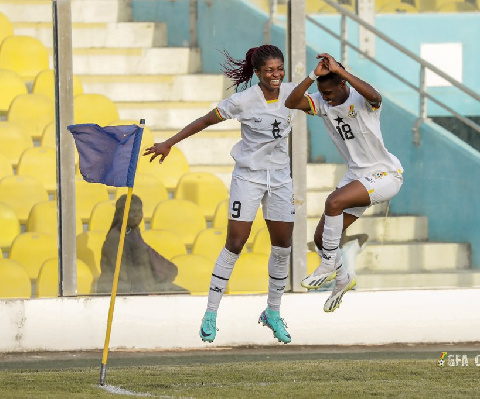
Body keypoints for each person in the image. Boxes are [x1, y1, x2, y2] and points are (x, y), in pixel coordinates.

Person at [144, 44, 297, 344]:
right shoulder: (243, 101)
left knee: (283, 246)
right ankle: (211, 313)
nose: (276, 74)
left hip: (280, 179)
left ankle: (273, 312)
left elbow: (321, 101)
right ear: (257, 73)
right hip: (248, 178)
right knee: (235, 242)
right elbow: (205, 120)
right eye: (270, 70)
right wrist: (170, 143)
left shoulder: (292, 95)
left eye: (280, 68)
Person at [285, 53, 404, 312]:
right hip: (357, 176)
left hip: (385, 174)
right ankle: (342, 278)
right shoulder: (323, 101)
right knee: (320, 238)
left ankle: (328, 266)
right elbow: (291, 101)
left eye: (329, 92)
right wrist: (312, 76)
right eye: (321, 92)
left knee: (334, 202)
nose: (325, 97)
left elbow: (376, 96)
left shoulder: (362, 100)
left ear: (343, 85)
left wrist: (342, 71)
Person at [97, 194, 186, 294]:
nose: (137, 215)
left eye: (139, 211)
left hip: (145, 286)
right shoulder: (115, 238)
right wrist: (150, 290)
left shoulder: (133, 232)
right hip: (125, 290)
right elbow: (122, 275)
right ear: (121, 214)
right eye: (132, 212)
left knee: (183, 293)